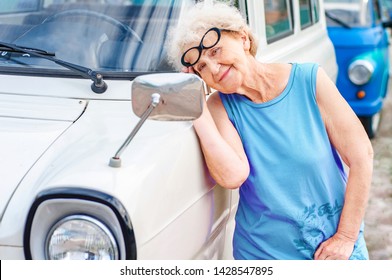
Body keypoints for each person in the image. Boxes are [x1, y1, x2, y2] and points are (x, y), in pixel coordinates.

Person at [166, 1, 373, 260]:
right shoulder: (218, 106)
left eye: (216, 51)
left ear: (243, 38)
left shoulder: (309, 80)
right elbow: (233, 176)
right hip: (262, 255)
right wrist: (195, 105)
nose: (214, 69)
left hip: (333, 247)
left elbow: (362, 156)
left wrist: (346, 237)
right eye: (201, 68)